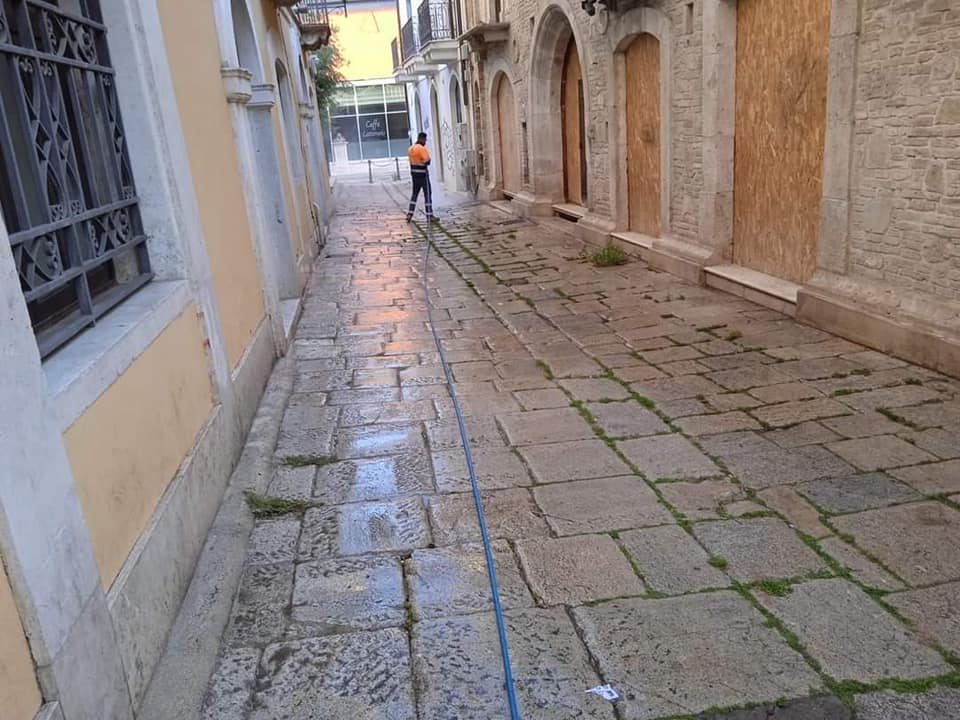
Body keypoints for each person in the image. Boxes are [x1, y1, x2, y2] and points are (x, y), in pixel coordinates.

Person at [406, 132, 438, 224]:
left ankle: (410, 214)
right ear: (422, 139)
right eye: (425, 140)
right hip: (423, 176)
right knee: (427, 194)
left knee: (414, 194)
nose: (425, 142)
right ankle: (429, 215)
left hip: (414, 175)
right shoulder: (421, 148)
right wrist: (425, 161)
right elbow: (427, 161)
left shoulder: (410, 148)